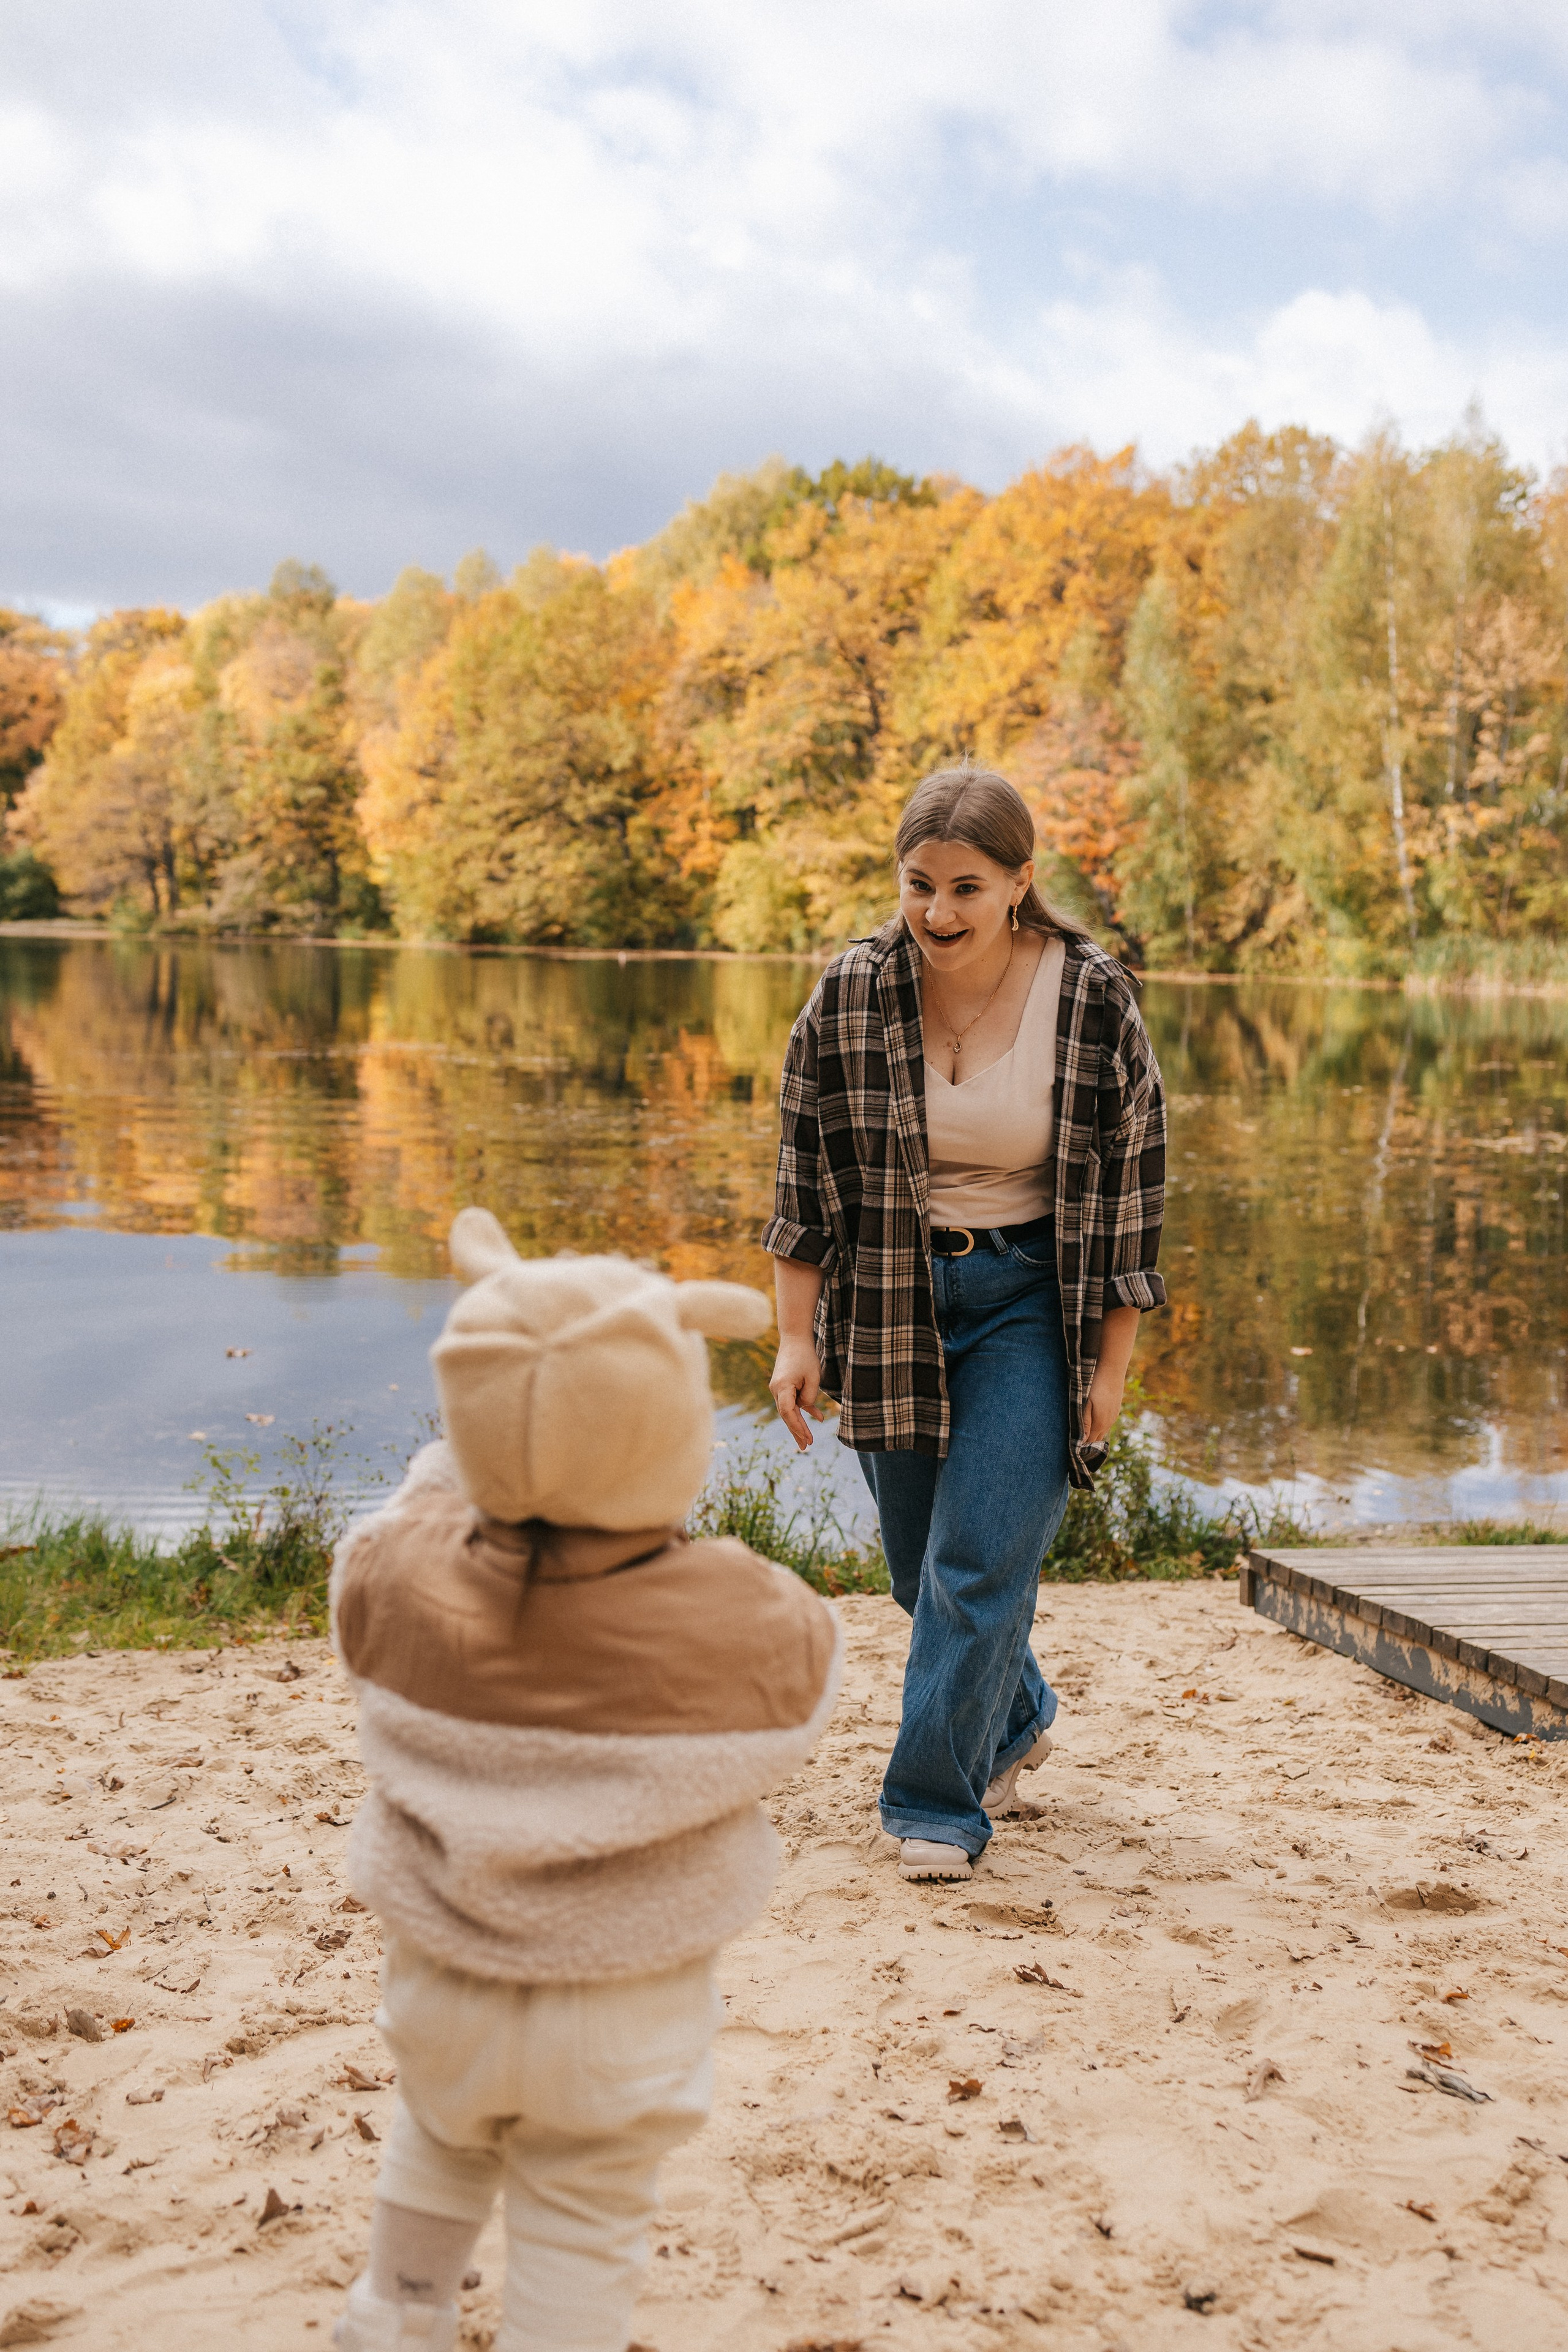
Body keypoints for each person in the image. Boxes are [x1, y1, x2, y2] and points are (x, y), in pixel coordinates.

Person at [330, 1208, 841, 2352]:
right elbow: (809, 1684)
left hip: (445, 1980)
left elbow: (395, 1529)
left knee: (439, 2135)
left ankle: (395, 2313)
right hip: (623, 2003)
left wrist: (469, 1462)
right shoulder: (728, 1616)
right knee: (581, 2217)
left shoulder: (400, 1576)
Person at [763, 764, 1165, 1884]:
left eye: (967, 889)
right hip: (893, 1300)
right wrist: (797, 1337)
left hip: (1034, 1302)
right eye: (919, 885)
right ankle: (1020, 1709)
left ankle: (935, 1806)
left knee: (980, 1563)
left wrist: (1108, 1372)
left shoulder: (1089, 997)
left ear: (1021, 884)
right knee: (918, 1570)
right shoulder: (850, 991)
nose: (938, 913)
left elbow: (1134, 1196)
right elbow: (807, 1174)